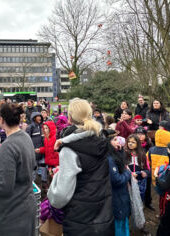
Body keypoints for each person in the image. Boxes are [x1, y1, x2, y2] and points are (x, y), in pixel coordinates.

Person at [48, 99, 114, 236]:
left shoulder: (69, 150)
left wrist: (56, 180)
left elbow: (59, 197)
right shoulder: (101, 139)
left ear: (69, 118)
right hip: (104, 214)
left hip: (80, 219)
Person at [0, 103, 36, 236]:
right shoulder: (25, 137)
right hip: (25, 209)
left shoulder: (8, 146)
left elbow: (3, 186)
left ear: (1, 120)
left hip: (10, 216)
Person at [107, 135, 131, 236]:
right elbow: (116, 180)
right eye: (115, 140)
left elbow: (120, 164)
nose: (118, 142)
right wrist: (128, 173)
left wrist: (120, 152)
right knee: (119, 222)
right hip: (117, 195)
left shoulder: (113, 154)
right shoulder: (109, 159)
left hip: (120, 195)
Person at [35, 121, 59, 185]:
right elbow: (46, 148)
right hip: (49, 163)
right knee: (51, 178)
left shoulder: (54, 139)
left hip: (55, 164)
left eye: (46, 128)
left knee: (55, 180)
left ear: (51, 128)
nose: (45, 130)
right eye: (44, 128)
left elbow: (57, 151)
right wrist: (40, 150)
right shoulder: (46, 139)